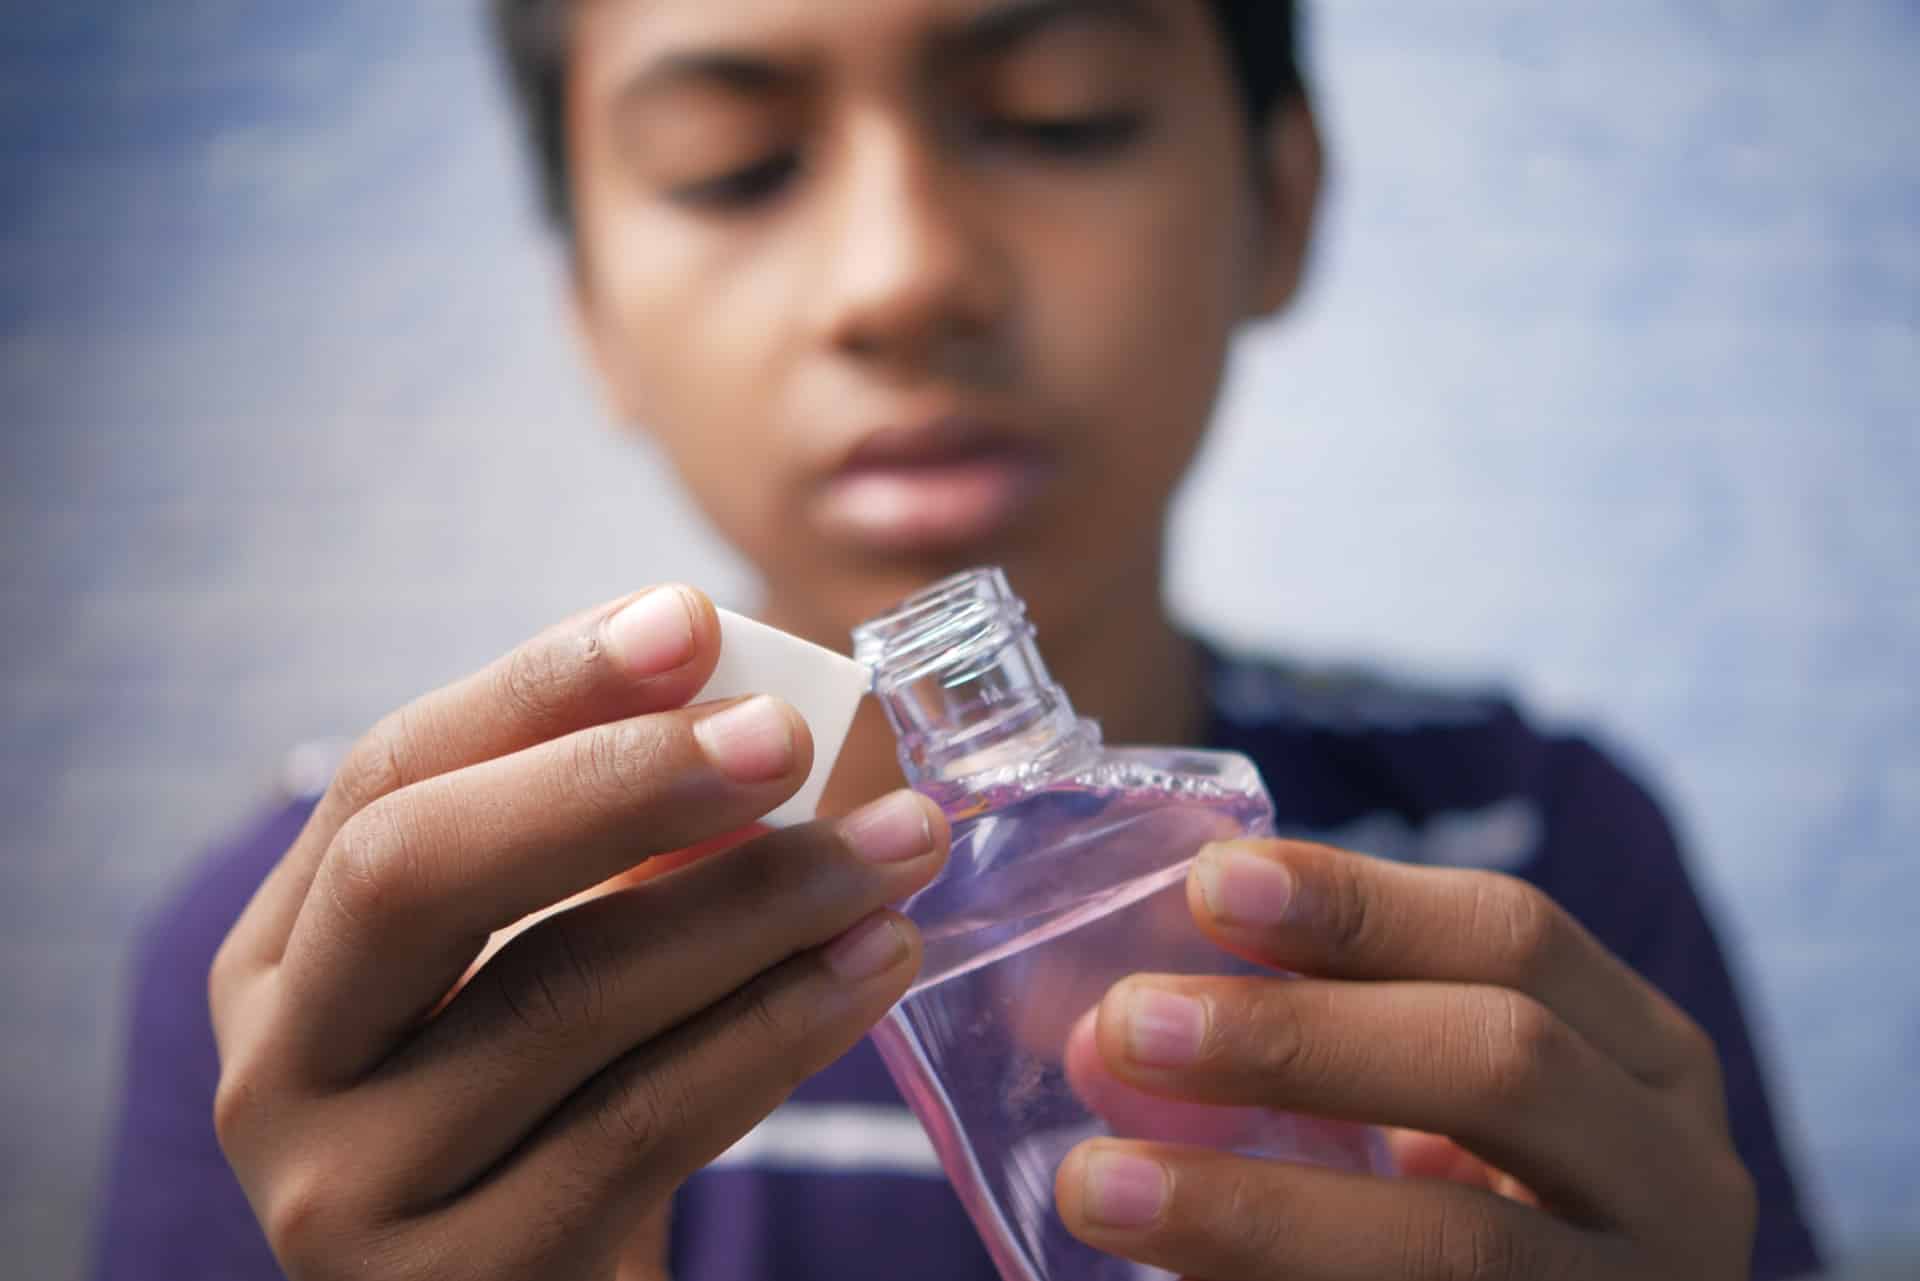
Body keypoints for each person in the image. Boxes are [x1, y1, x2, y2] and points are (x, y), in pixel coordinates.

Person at [93, 2, 1823, 1278]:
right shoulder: (353, 983)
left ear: (1282, 199)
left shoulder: (1545, 864)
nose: (903, 276)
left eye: (1058, 114)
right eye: (734, 167)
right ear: (591, 316)